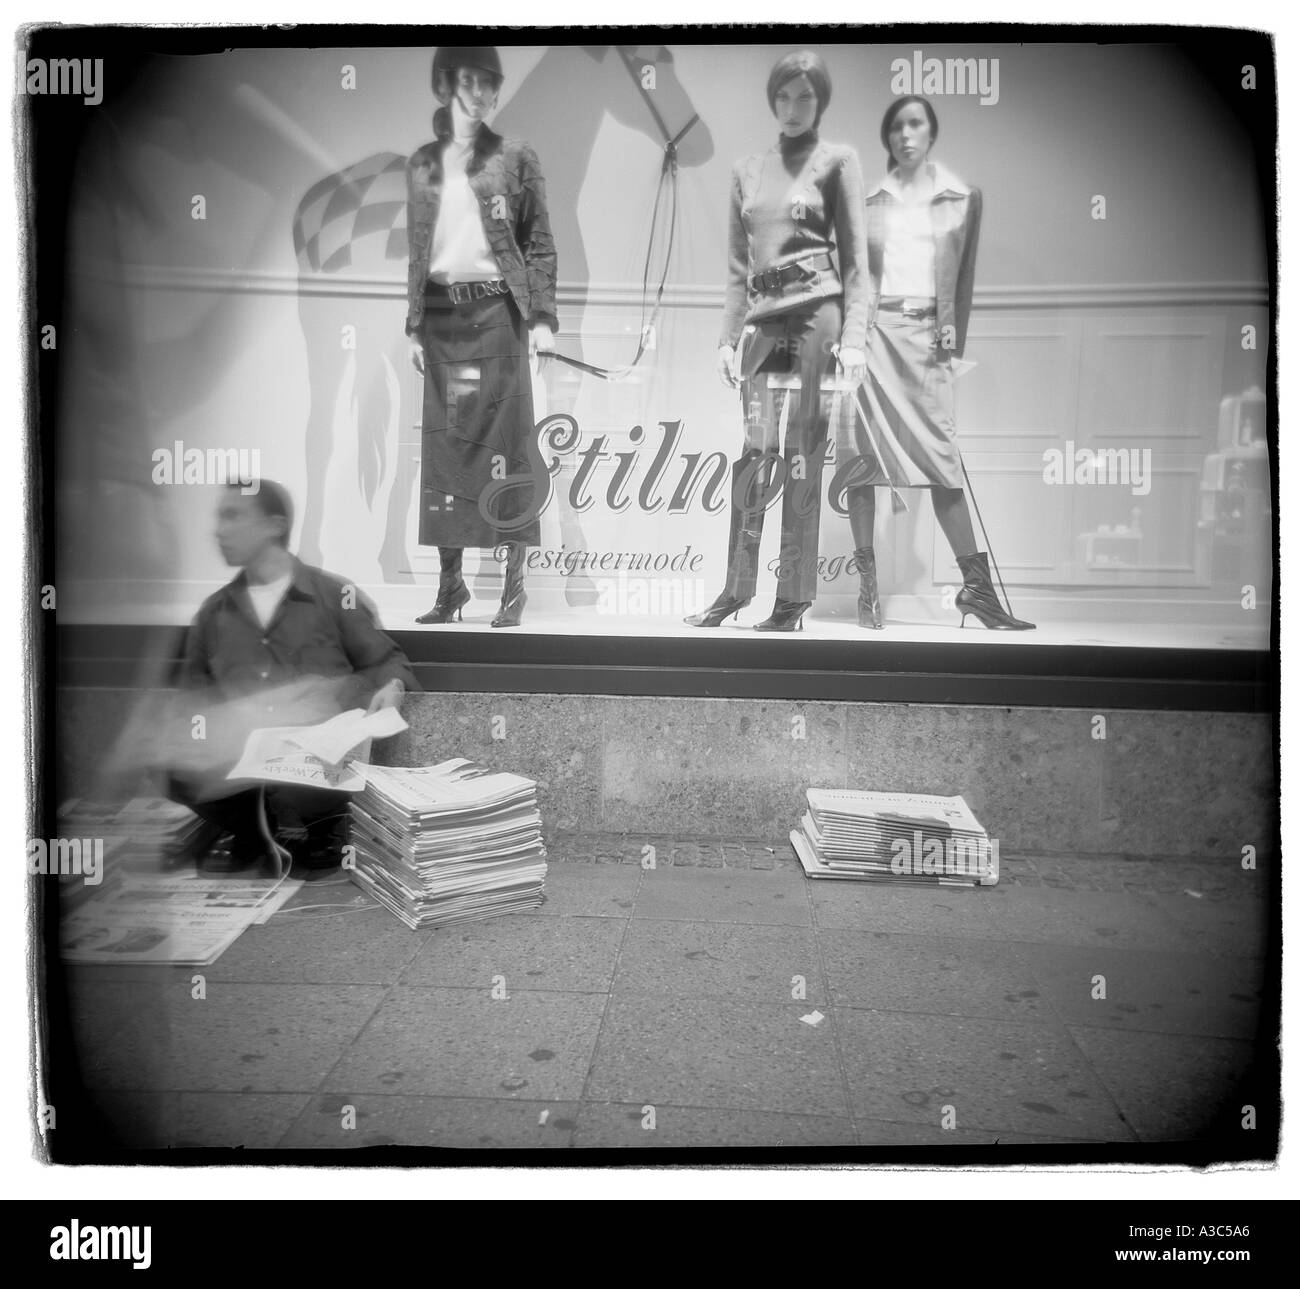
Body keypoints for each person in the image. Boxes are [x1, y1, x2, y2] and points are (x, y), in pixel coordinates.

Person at [686, 49, 868, 633]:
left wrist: (857, 336)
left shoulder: (839, 161)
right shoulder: (747, 169)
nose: (793, 107)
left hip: (818, 320)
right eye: (784, 96)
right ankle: (735, 590)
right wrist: (726, 337)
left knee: (801, 459)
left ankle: (791, 600)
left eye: (806, 96)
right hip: (764, 327)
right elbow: (738, 268)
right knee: (754, 457)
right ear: (773, 100)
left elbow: (859, 265)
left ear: (821, 101)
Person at [842, 94, 1034, 630]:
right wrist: (852, 343)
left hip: (927, 338)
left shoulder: (960, 199)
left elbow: (963, 281)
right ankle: (869, 592)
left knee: (942, 463)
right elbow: (856, 284)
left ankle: (978, 591)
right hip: (875, 336)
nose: (906, 134)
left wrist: (952, 347)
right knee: (865, 461)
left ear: (931, 133)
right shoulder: (868, 203)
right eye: (897, 126)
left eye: (916, 124)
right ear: (888, 136)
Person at [169, 481, 417, 876]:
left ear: (273, 525)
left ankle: (321, 830)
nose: (218, 530)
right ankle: (250, 830)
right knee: (174, 762)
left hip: (315, 753)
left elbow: (385, 658)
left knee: (317, 763)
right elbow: (191, 696)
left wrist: (393, 687)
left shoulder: (333, 594)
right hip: (242, 757)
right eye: (219, 517)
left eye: (232, 516)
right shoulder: (214, 612)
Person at [404, 45, 557, 628]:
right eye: (469, 80)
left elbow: (539, 242)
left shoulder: (516, 156)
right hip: (442, 318)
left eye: (489, 82)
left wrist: (541, 319)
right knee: (445, 453)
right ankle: (451, 588)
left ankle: (513, 590)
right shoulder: (420, 164)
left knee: (509, 448)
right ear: (446, 84)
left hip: (498, 313)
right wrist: (414, 324)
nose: (480, 92)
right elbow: (420, 252)